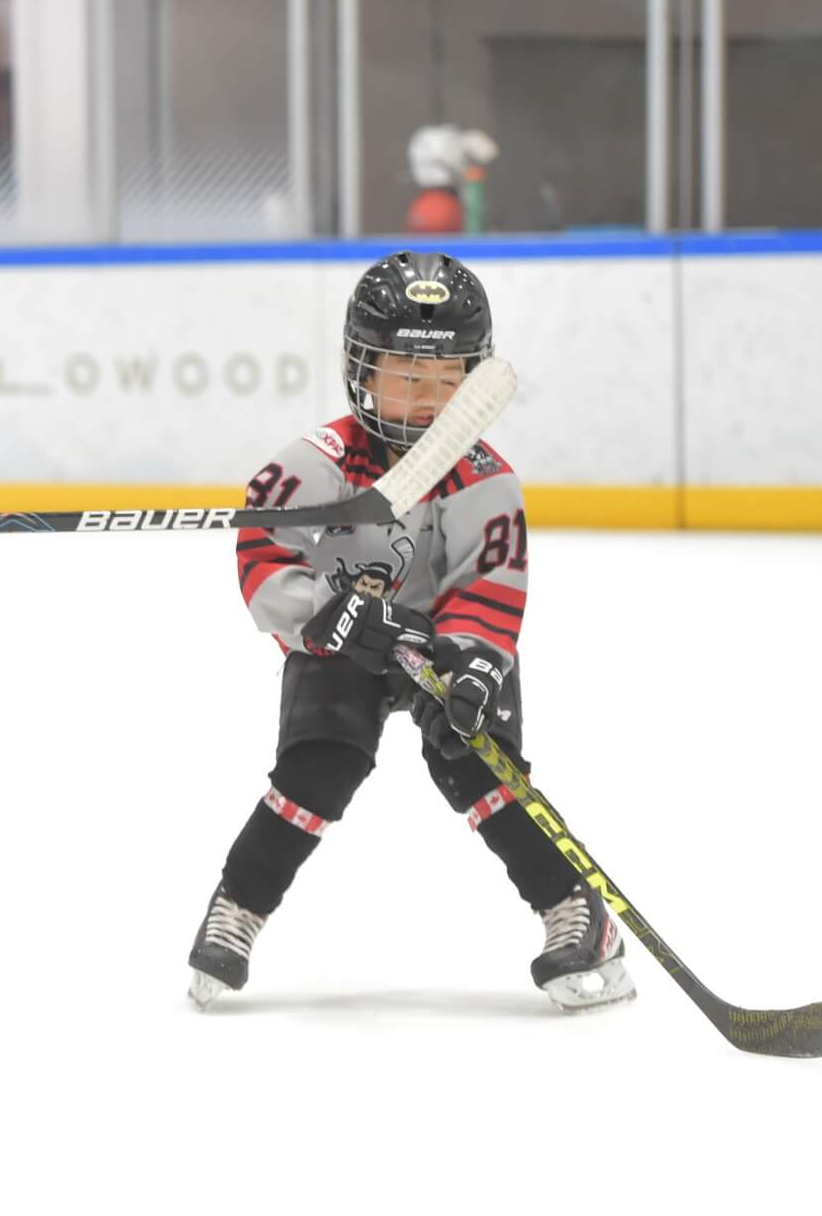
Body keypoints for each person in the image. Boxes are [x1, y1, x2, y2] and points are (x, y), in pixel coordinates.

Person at [186, 251, 635, 1015]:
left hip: (444, 646)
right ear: (362, 368)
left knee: (478, 766)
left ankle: (578, 913)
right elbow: (264, 553)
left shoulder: (485, 479)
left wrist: (469, 664)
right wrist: (322, 612)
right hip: (342, 644)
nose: (427, 399)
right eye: (405, 374)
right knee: (316, 768)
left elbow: (489, 586)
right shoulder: (315, 465)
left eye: (446, 377)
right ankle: (239, 904)